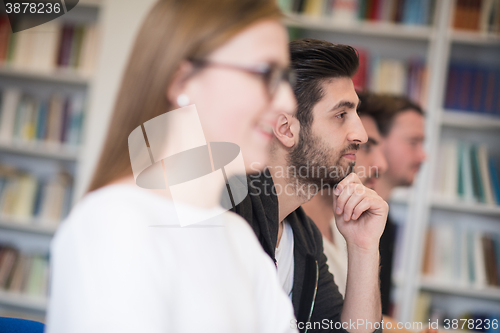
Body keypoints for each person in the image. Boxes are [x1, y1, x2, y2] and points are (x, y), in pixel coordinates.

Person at [45, 0, 299, 332]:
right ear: (182, 82)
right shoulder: (113, 224)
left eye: (285, 79)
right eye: (264, 73)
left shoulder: (240, 241)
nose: (287, 102)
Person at [232, 39, 388, 333]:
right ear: (286, 129)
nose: (361, 134)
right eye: (341, 115)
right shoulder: (228, 208)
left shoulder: (304, 239)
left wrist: (363, 247)